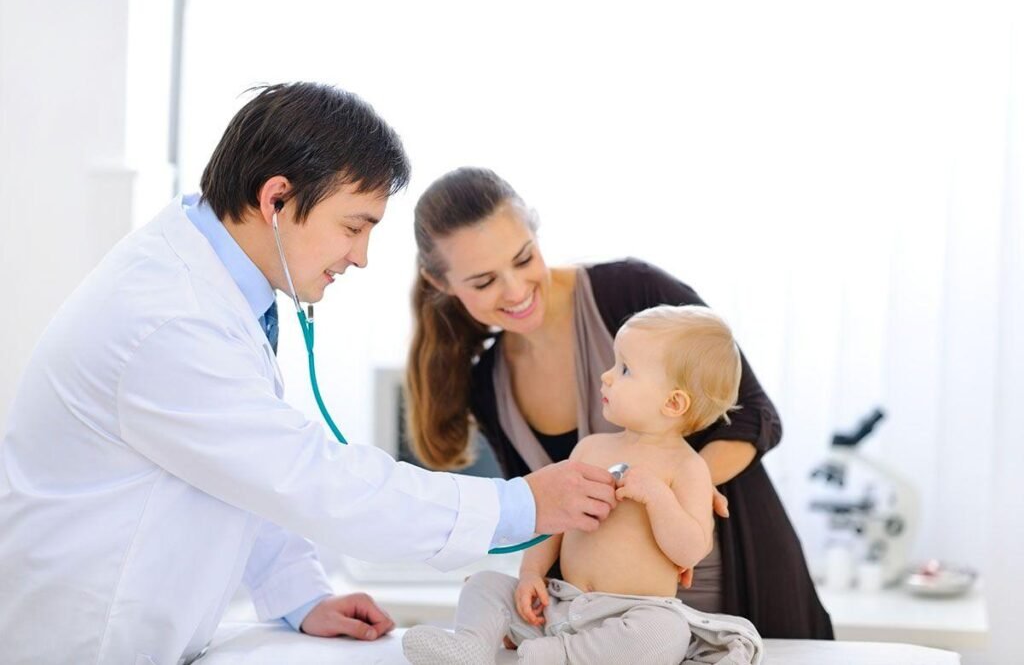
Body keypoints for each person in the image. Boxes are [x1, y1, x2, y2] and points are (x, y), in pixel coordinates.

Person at [0, 84, 620, 665]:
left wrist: (297, 592)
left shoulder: (210, 286)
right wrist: (522, 504)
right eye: (353, 227)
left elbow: (239, 470)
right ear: (276, 200)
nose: (360, 256)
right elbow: (305, 477)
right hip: (88, 640)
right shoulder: (169, 321)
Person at [407, 167, 833, 639]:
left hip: (736, 589)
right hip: (604, 624)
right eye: (484, 282)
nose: (514, 289)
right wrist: (530, 598)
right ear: (440, 282)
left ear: (535, 234)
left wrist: (675, 493)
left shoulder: (633, 295)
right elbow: (543, 512)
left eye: (524, 258)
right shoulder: (487, 386)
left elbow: (755, 415)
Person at [404, 305, 765, 665]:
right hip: (560, 602)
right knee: (484, 584)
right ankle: (469, 647)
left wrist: (658, 497)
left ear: (673, 402)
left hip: (630, 614)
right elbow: (553, 522)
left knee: (666, 632)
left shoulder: (688, 469)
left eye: (624, 369)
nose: (607, 376)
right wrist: (531, 574)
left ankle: (559, 656)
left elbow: (689, 552)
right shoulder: (591, 448)